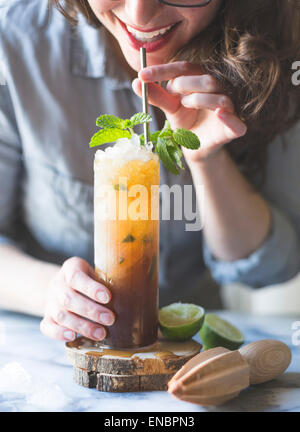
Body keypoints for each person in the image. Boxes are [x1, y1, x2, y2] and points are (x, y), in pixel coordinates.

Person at [0, 0, 300, 343]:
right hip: (44, 354)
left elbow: (270, 269)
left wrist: (207, 161)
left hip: (184, 346)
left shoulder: (279, 49)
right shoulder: (15, 39)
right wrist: (52, 292)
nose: (139, 14)